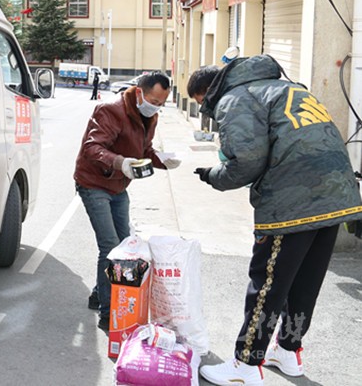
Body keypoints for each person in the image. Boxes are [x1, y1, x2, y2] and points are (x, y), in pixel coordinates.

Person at [187, 55, 362, 386]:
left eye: (201, 103)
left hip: (292, 201)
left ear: (209, 91)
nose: (205, 109)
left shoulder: (236, 97)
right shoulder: (288, 88)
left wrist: (213, 175)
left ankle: (246, 364)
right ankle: (288, 351)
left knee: (268, 283)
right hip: (337, 195)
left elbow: (247, 161)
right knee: (306, 281)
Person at [73, 71, 180, 330]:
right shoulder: (111, 110)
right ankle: (108, 312)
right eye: (153, 101)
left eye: (161, 103)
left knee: (124, 244)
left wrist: (162, 160)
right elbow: (92, 147)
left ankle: (99, 293)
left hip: (118, 185)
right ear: (139, 92)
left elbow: (144, 150)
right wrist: (120, 162)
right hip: (94, 183)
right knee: (110, 246)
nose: (156, 107)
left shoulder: (150, 116)